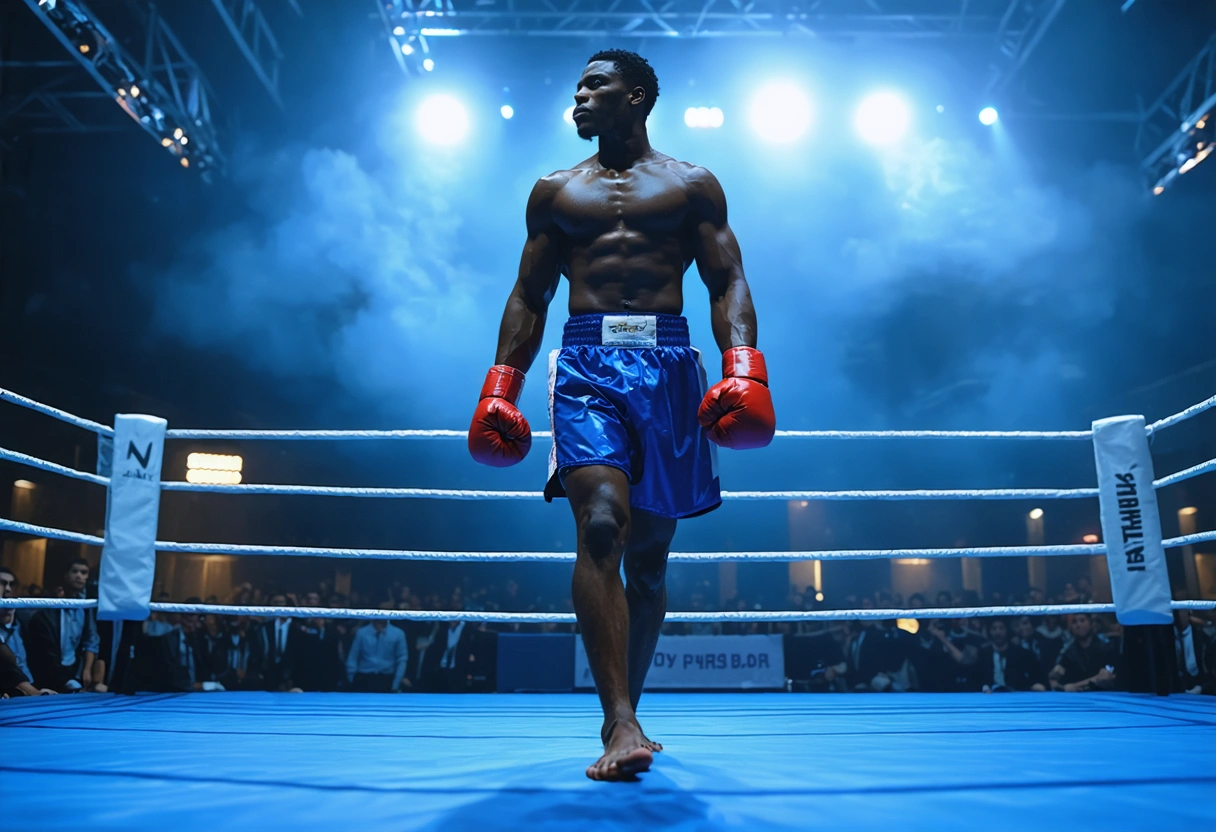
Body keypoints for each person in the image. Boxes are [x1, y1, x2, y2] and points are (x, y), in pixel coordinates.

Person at [467, 49, 775, 781]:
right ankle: (619, 722)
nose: (578, 96)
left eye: (594, 85)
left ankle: (627, 709)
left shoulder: (692, 184)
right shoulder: (553, 192)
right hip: (585, 366)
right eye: (574, 86)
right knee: (602, 521)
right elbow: (529, 294)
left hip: (669, 365)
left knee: (650, 561)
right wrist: (499, 386)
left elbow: (727, 278)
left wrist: (743, 368)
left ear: (635, 98)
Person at [23, 559, 100, 692]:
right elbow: (45, 648)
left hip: (73, 669)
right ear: (66, 575)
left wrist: (87, 669)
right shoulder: (49, 607)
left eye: (84, 573)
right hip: (48, 671)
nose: (79, 576)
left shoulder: (86, 606)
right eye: (75, 571)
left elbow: (91, 639)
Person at [1049, 612, 1118, 692]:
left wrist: (1076, 685)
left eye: (1082, 620)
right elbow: (1053, 679)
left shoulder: (1106, 645)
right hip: (1077, 698)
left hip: (1104, 695)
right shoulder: (1068, 651)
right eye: (1074, 622)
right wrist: (1060, 685)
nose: (1078, 625)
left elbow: (1106, 676)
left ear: (1091, 623)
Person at [977, 618, 1046, 692]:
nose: (998, 632)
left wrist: (1033, 685)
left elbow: (1025, 678)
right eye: (994, 628)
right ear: (989, 631)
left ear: (1007, 630)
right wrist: (984, 687)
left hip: (1015, 694)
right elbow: (979, 678)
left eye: (1001, 628)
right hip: (989, 696)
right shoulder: (983, 653)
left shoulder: (1019, 653)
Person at [345, 619, 407, 693]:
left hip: (387, 679)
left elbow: (402, 659)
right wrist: (352, 678)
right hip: (363, 678)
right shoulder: (361, 633)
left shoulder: (398, 633)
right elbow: (353, 656)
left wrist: (396, 683)